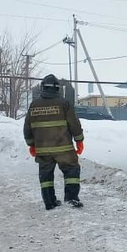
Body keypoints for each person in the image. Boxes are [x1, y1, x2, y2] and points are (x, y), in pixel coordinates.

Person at [24, 74, 85, 210]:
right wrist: (79, 140)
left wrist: (31, 144)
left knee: (45, 175)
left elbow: (27, 127)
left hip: (43, 150)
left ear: (42, 88)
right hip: (64, 148)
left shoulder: (34, 105)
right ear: (58, 89)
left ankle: (49, 201)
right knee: (71, 171)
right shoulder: (64, 104)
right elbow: (74, 124)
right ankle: (71, 198)